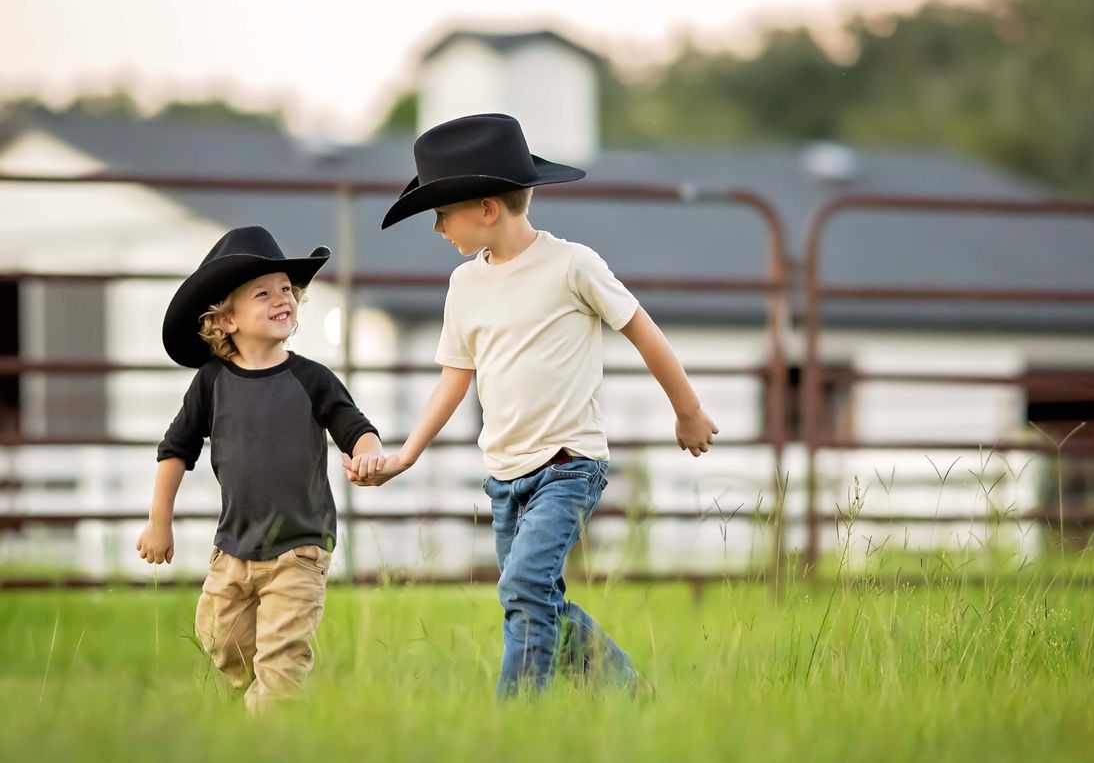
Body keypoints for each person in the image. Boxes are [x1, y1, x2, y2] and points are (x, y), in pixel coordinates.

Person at [349, 113, 719, 698]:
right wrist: (405, 456)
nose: (439, 228)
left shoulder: (573, 266)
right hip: (505, 476)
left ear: (487, 209)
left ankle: (518, 719)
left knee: (523, 587)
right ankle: (629, 693)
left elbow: (643, 331)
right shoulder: (464, 287)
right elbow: (454, 379)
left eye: (442, 214)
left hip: (570, 466)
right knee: (535, 598)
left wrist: (688, 409)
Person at [139, 225, 382, 712]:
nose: (282, 299)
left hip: (299, 549)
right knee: (218, 637)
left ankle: (272, 727)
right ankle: (260, 698)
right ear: (225, 320)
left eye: (287, 290)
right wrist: (159, 521)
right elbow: (175, 449)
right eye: (263, 292)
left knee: (282, 657)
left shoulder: (310, 379)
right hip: (232, 549)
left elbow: (354, 425)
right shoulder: (211, 384)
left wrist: (370, 452)